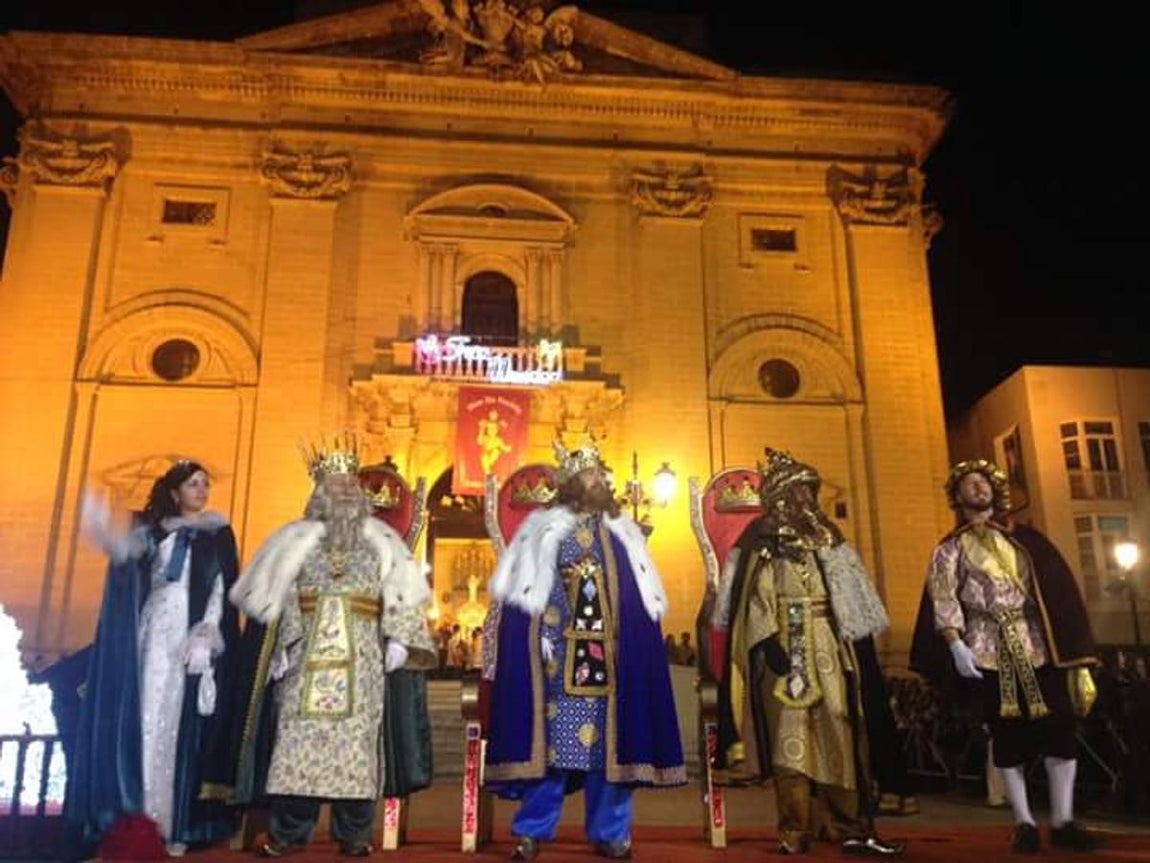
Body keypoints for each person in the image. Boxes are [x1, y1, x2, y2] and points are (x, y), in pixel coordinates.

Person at [228, 439, 436, 857]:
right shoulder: (293, 540)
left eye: (348, 484)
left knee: (357, 748)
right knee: (295, 744)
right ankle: (287, 833)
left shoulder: (382, 540)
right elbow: (279, 593)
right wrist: (279, 646)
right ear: (318, 492)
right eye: (333, 484)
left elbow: (402, 590)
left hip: (362, 660)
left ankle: (355, 835)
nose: (342, 491)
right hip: (305, 656)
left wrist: (399, 638)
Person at [484, 438, 686, 860]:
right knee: (552, 750)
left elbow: (637, 596)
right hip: (560, 658)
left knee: (611, 752)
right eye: (590, 475)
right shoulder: (546, 528)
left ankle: (610, 832)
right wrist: (543, 628)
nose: (599, 481)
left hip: (612, 659)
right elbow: (531, 583)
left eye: (600, 475)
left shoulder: (624, 532)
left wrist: (630, 640)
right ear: (572, 483)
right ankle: (532, 830)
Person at [712, 448, 905, 856]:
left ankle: (849, 824)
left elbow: (847, 596)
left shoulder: (828, 538)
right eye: (799, 491)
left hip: (828, 647)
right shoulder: (762, 543)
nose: (807, 500)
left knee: (840, 729)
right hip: (785, 647)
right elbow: (753, 599)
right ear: (781, 496)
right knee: (790, 742)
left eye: (809, 492)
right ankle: (794, 830)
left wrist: (851, 640)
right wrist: (766, 641)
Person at [910, 459, 1101, 853]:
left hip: (1036, 644)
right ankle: (1025, 822)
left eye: (983, 483)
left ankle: (1063, 819)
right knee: (1006, 734)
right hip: (987, 647)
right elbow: (943, 597)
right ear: (957, 496)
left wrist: (1077, 659)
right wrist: (955, 643)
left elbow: (1057, 594)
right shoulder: (949, 549)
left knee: (1060, 728)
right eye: (970, 484)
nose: (979, 488)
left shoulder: (1027, 541)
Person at [68, 460, 241, 857]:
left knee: (179, 719)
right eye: (193, 484)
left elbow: (221, 585)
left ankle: (177, 820)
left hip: (190, 629)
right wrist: (104, 529)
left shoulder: (217, 533)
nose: (201, 491)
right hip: (154, 626)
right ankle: (138, 816)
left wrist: (208, 631)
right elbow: (129, 562)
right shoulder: (154, 530)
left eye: (205, 484)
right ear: (175, 491)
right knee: (144, 711)